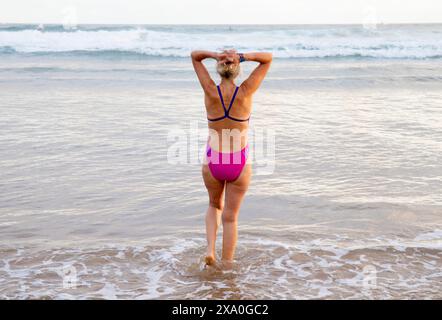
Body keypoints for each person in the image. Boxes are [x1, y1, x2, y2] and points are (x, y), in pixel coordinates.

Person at [191, 49, 272, 267]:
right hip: (238, 163)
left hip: (213, 161)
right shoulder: (245, 92)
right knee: (230, 217)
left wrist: (216, 54)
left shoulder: (210, 91)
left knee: (213, 205)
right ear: (236, 71)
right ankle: (227, 264)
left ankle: (210, 250)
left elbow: (195, 56)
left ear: (219, 70)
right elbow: (267, 59)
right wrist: (242, 56)